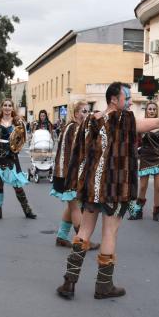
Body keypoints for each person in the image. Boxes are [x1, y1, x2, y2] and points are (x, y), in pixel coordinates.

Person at [56, 81, 159, 300]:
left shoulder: (91, 120)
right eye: (125, 98)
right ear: (113, 100)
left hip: (92, 186)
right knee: (109, 233)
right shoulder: (125, 120)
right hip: (116, 186)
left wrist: (74, 181)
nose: (128, 102)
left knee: (84, 232)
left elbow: (79, 152)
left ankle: (69, 283)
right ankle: (104, 285)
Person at [51, 100, 97, 249]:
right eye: (84, 111)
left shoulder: (70, 126)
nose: (87, 114)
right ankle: (82, 241)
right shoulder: (76, 128)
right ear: (76, 113)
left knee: (71, 207)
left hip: (63, 173)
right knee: (76, 207)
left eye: (88, 111)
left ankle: (61, 237)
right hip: (68, 175)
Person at [128, 101, 159, 221]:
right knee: (142, 187)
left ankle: (156, 211)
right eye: (150, 109)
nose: (152, 111)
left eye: (154, 109)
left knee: (158, 187)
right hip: (145, 158)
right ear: (146, 111)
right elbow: (134, 141)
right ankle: (138, 211)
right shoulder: (142, 125)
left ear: (156, 111)